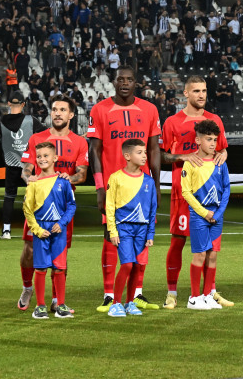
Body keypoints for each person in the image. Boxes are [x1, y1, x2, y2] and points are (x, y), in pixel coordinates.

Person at [88, 67, 161, 312]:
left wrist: (158, 185)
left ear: (136, 83)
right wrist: (100, 187)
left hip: (142, 186)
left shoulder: (150, 109)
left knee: (141, 238)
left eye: (129, 80)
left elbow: (154, 151)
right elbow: (94, 151)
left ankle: (136, 295)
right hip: (113, 186)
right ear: (114, 82)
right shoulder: (99, 110)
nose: (125, 83)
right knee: (111, 238)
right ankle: (110, 295)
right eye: (121, 79)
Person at [160, 76, 229, 310]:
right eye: (196, 91)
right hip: (184, 192)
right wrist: (183, 156)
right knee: (178, 241)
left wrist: (224, 155)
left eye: (204, 91)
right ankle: (172, 292)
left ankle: (209, 292)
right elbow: (161, 155)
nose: (202, 95)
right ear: (186, 94)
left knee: (211, 247)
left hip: (211, 194)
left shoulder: (214, 119)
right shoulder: (172, 122)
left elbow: (223, 150)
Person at [17, 95, 87, 313]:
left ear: (71, 114)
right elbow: (26, 168)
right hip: (39, 207)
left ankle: (57, 299)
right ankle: (28, 287)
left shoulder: (79, 142)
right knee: (29, 250)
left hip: (62, 206)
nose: (57, 113)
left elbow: (81, 175)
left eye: (63, 110)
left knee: (61, 252)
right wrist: (29, 179)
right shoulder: (37, 138)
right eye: (54, 109)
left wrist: (69, 178)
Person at [22, 142, 76, 319]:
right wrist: (37, 229)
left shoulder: (64, 181)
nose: (42, 159)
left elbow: (72, 206)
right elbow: (27, 210)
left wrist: (62, 223)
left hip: (58, 230)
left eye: (46, 156)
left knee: (59, 268)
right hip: (41, 231)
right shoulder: (34, 183)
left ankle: (60, 305)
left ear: (55, 158)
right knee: (40, 269)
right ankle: (40, 306)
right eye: (39, 156)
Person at [181, 120, 231, 311]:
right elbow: (186, 192)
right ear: (197, 140)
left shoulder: (220, 163)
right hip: (199, 216)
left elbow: (226, 189)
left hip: (216, 217)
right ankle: (194, 298)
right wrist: (204, 212)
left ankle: (208, 295)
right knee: (200, 254)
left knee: (212, 256)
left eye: (215, 140)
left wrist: (217, 214)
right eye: (208, 139)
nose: (212, 143)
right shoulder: (191, 163)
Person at [105, 139, 157, 318]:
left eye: (145, 152)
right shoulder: (116, 178)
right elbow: (110, 206)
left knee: (136, 266)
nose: (144, 155)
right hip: (124, 229)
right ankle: (116, 303)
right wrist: (113, 231)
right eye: (139, 152)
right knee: (127, 264)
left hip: (142, 230)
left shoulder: (149, 181)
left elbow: (152, 210)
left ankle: (129, 303)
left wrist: (150, 233)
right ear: (127, 156)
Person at [0, 91, 45, 239]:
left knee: (9, 197)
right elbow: (46, 134)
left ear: (8, 104)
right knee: (32, 197)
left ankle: (6, 230)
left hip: (11, 164)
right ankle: (32, 229)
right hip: (28, 165)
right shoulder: (30, 120)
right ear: (23, 104)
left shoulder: (1, 121)